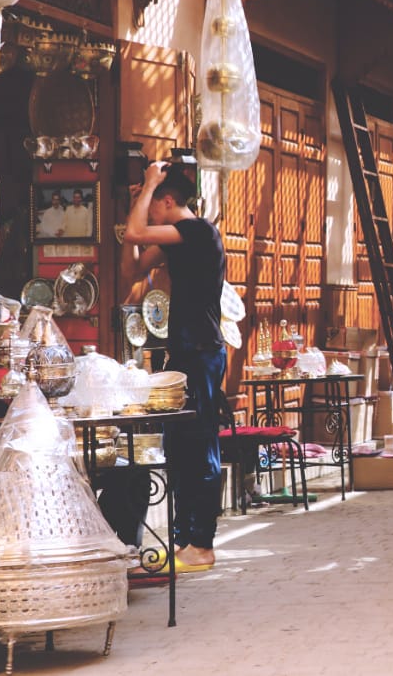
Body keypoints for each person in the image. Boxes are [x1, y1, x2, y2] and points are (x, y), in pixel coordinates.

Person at [107, 160, 226, 573]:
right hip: (185, 352)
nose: (149, 210)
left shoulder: (198, 231)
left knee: (202, 446)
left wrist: (148, 185)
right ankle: (183, 540)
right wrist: (138, 204)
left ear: (169, 201)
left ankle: (202, 544)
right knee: (181, 448)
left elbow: (137, 232)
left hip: (203, 351)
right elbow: (132, 267)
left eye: (153, 202)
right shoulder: (177, 241)